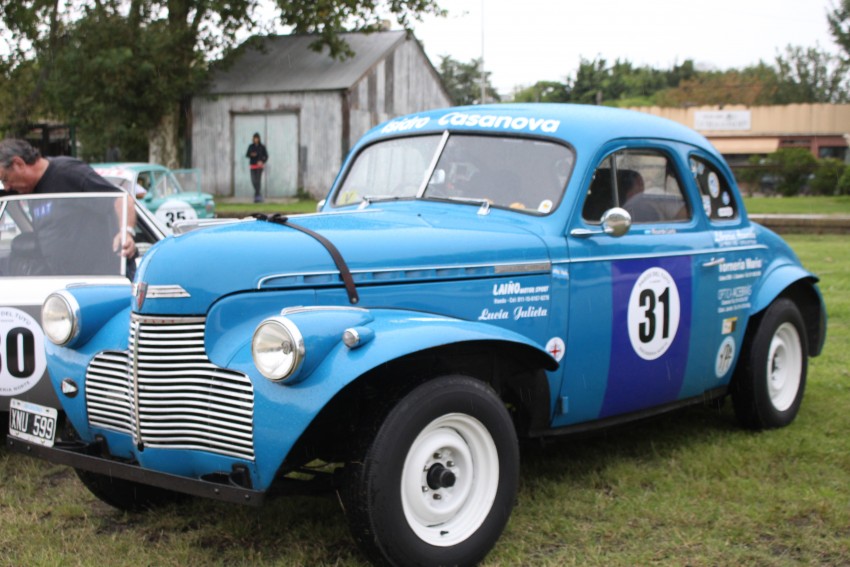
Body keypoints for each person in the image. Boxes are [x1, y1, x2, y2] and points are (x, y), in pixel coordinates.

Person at [0, 139, 137, 275]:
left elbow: (121, 199)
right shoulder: (30, 190)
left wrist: (126, 232)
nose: (6, 187)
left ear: (19, 163)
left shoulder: (68, 172)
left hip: (101, 279)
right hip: (66, 280)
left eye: (5, 179)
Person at [246, 133, 269, 203]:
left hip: (259, 167)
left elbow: (266, 156)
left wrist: (262, 161)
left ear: (259, 138)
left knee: (258, 181)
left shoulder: (262, 147)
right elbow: (247, 155)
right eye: (254, 138)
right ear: (253, 139)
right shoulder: (251, 146)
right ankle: (258, 194)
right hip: (252, 166)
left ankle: (257, 196)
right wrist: (251, 154)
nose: (256, 139)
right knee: (253, 181)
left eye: (257, 138)